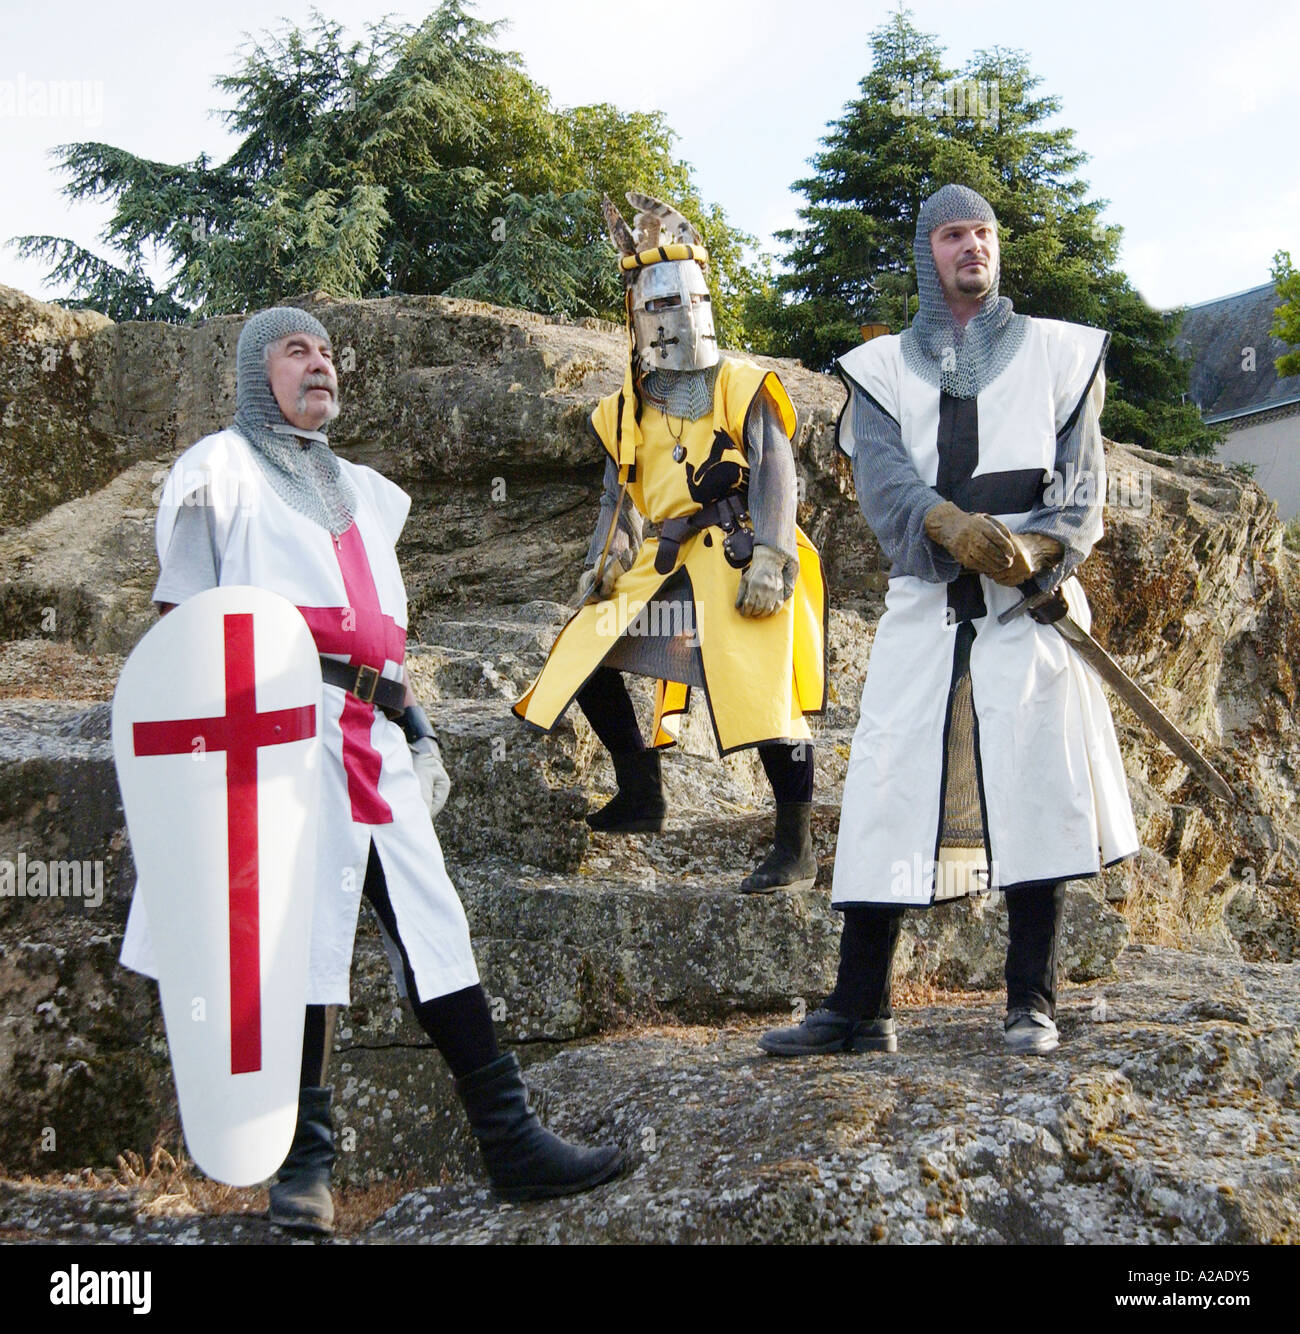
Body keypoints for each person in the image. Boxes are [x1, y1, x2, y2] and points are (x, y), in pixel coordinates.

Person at [120, 306, 624, 1233]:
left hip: (371, 737)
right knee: (293, 940)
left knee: (434, 925)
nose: (320, 365)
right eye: (294, 351)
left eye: (326, 352)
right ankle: (301, 1171)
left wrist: (420, 728)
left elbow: (380, 646)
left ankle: (510, 1140)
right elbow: (179, 631)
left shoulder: (364, 491)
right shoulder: (217, 474)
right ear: (253, 375)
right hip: (272, 730)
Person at [760, 184, 1138, 1059]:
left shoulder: (1061, 354)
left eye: (986, 235)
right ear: (928, 255)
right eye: (956, 236)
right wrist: (946, 525)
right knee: (887, 786)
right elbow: (885, 479)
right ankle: (860, 1009)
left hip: (1030, 608)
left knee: (1034, 783)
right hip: (927, 601)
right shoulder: (886, 366)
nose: (975, 248)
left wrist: (1035, 553)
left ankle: (1031, 1001)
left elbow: (1082, 489)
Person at [514, 193, 827, 893]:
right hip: (667, 565)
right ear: (635, 313)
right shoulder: (624, 405)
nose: (675, 316)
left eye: (685, 300)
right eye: (658, 304)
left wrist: (773, 559)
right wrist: (605, 563)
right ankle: (641, 791)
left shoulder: (742, 384)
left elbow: (777, 468)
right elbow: (619, 496)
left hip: (744, 550)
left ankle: (795, 846)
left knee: (763, 693)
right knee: (587, 648)